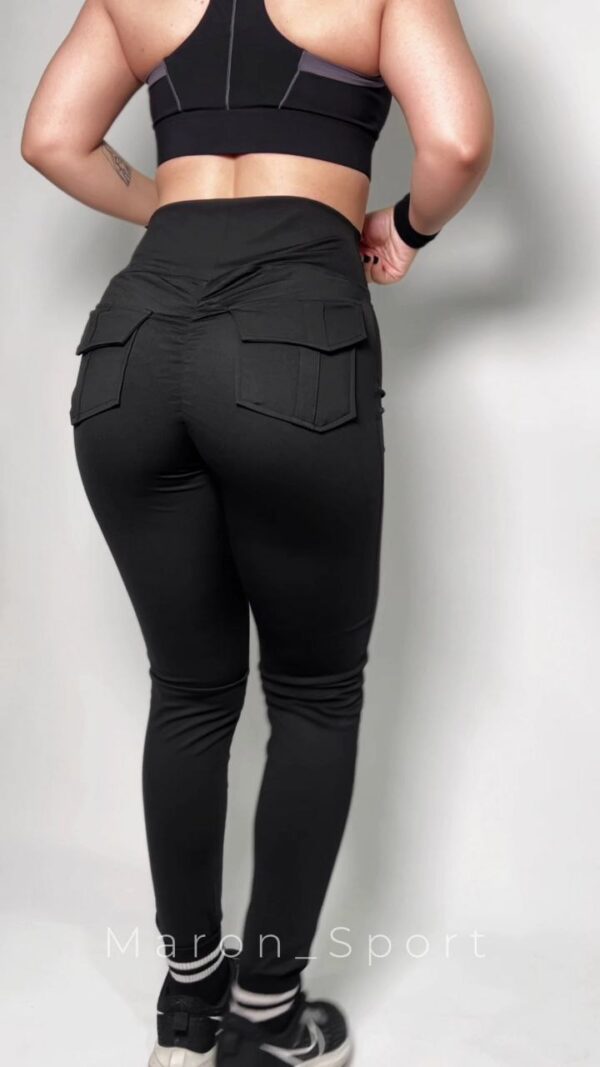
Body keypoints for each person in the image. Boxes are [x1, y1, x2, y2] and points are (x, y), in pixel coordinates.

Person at [21, 0, 493, 1063]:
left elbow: (50, 137)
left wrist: (170, 210)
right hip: (292, 339)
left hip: (131, 345)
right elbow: (459, 142)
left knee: (190, 690)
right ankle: (269, 1015)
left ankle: (189, 1013)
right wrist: (407, 228)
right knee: (314, 694)